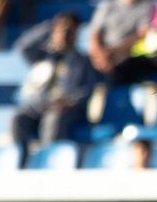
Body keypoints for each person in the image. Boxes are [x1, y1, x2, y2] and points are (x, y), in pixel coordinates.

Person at [11, 11, 95, 158]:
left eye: (69, 32)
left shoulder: (82, 61)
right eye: (61, 31)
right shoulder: (42, 56)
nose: (64, 36)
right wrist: (49, 26)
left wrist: (69, 102)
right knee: (18, 119)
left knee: (53, 120)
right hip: (40, 104)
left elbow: (87, 90)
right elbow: (22, 47)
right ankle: (22, 159)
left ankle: (48, 160)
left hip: (65, 108)